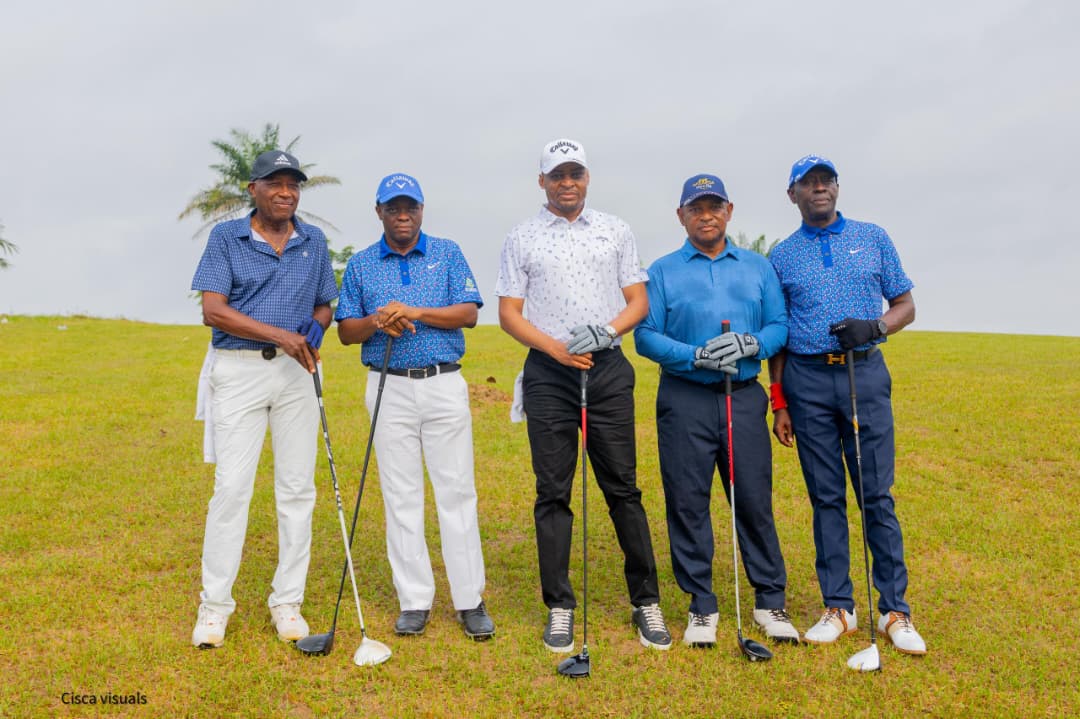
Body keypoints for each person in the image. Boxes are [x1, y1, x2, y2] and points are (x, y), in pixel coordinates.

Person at [495, 138, 671, 653]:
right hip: (549, 375)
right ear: (542, 181)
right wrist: (555, 349)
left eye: (575, 173)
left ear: (587, 178)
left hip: (608, 368)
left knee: (623, 488)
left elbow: (638, 300)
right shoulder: (522, 236)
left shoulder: (615, 230)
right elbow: (509, 312)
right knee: (553, 492)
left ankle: (646, 601)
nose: (566, 182)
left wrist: (607, 330)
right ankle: (560, 607)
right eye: (557, 174)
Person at [768, 154, 927, 655]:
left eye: (826, 181)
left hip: (865, 372)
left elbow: (905, 305)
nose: (819, 189)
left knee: (876, 495)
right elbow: (779, 338)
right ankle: (839, 607)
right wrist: (780, 402)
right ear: (792, 194)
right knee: (826, 497)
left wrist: (876, 327)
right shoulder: (781, 255)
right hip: (807, 379)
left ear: (836, 188)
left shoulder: (873, 237)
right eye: (808, 184)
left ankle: (894, 611)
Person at [634, 174, 801, 648]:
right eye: (695, 207)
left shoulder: (757, 267)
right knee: (687, 502)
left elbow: (779, 325)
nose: (705, 215)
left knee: (752, 499)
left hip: (743, 395)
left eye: (713, 206)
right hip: (685, 397)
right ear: (681, 215)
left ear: (729, 210)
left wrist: (752, 342)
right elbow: (645, 336)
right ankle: (701, 604)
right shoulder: (663, 270)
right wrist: (693, 356)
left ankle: (770, 600)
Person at [335, 173, 494, 640]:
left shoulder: (446, 252)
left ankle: (469, 600)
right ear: (379, 211)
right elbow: (346, 331)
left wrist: (416, 312)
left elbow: (469, 312)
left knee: (456, 492)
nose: (402, 215)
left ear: (422, 209)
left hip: (443, 383)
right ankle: (414, 600)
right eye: (393, 207)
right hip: (389, 386)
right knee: (401, 494)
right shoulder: (362, 264)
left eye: (410, 207)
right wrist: (377, 320)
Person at [190, 150, 338, 648]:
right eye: (275, 183)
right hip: (239, 371)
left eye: (293, 184)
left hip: (297, 373)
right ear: (253, 189)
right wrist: (281, 335)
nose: (286, 192)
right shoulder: (225, 238)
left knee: (297, 490)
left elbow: (324, 303)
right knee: (232, 489)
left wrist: (313, 332)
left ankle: (287, 602)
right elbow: (214, 311)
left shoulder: (313, 241)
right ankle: (215, 607)